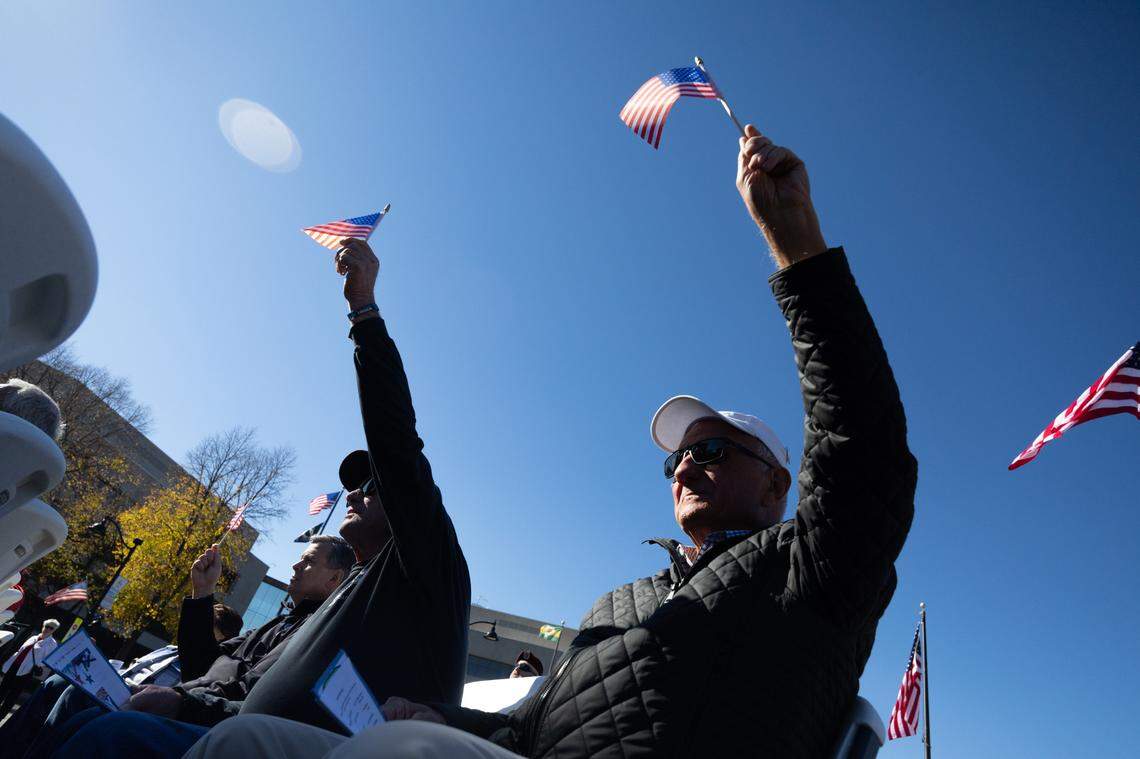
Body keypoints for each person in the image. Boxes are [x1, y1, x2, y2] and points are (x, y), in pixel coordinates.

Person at [182, 124, 917, 759]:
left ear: (776, 487)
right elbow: (537, 728)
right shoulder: (620, 601)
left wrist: (798, 250)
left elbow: (864, 455)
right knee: (243, 743)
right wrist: (449, 717)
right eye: (678, 454)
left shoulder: (810, 571)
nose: (688, 462)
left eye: (715, 449)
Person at [54, 239, 472, 757]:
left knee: (115, 737)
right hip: (236, 732)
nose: (354, 495)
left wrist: (362, 309)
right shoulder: (346, 596)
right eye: (352, 487)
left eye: (371, 487)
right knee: (75, 703)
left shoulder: (427, 565)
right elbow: (228, 680)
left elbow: (398, 444)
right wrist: (188, 691)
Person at [27, 535, 351, 758]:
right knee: (67, 689)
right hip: (185, 705)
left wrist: (180, 702)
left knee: (106, 727)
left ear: (334, 580)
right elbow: (200, 663)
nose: (294, 567)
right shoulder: (274, 624)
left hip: (204, 722)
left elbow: (249, 697)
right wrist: (203, 591)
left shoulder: (313, 634)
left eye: (307, 561)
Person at [0, 604, 241, 757]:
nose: (193, 630)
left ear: (224, 637)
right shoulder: (168, 648)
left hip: (140, 704)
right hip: (115, 686)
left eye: (207, 627)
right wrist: (96, 662)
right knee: (56, 683)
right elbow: (129, 670)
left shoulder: (211, 665)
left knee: (75, 695)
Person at [0, 618, 58, 718]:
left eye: (51, 628)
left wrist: (38, 664)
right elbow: (21, 650)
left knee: (12, 696)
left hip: (26, 671)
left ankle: (1, 715)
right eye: (46, 626)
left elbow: (50, 660)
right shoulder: (34, 637)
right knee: (2, 689)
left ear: (54, 630)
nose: (47, 629)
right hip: (14, 666)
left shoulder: (52, 644)